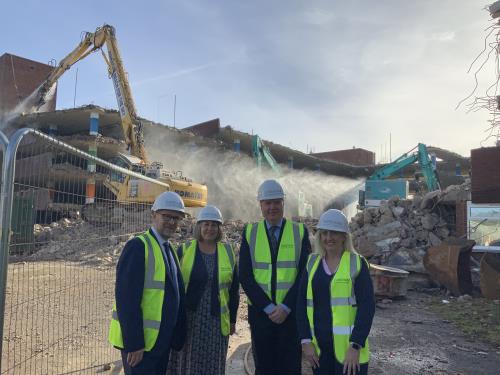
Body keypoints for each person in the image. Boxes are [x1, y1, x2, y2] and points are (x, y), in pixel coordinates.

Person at [108, 191, 187, 375]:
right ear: (153, 215)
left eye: (176, 218)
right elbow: (126, 300)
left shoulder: (169, 250)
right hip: (142, 347)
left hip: (160, 342)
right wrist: (134, 344)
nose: (172, 222)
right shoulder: (138, 246)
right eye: (167, 216)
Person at [239, 179, 311, 375]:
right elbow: (245, 275)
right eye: (267, 203)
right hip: (261, 315)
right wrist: (269, 308)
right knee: (264, 367)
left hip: (291, 315)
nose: (272, 207)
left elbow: (305, 275)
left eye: (276, 202)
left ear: (283, 203)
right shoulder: (250, 232)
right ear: (260, 205)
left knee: (290, 367)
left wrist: (286, 307)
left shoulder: (299, 231)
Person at [296, 209, 375, 375]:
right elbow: (301, 304)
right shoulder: (312, 263)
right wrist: (306, 342)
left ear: (344, 236)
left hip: (350, 353)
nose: (328, 238)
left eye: (334, 233)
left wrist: (355, 345)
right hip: (319, 351)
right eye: (324, 233)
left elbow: (367, 308)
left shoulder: (356, 264)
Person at [167, 205, 239, 375]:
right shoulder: (184, 250)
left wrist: (233, 320)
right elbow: (172, 286)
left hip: (216, 321)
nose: (210, 228)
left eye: (214, 224)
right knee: (187, 360)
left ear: (219, 228)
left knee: (213, 363)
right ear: (199, 226)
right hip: (189, 319)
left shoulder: (228, 252)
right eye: (206, 224)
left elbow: (234, 289)